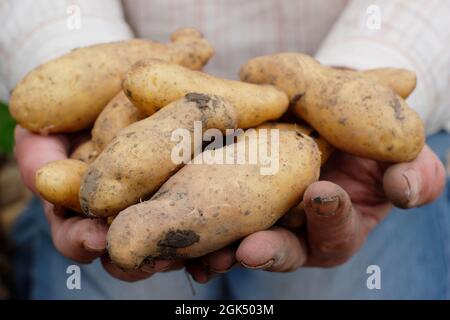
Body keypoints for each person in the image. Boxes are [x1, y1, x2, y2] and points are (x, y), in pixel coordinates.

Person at [1, 0, 449, 299]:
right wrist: (60, 44)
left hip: (347, 114)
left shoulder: (279, 112)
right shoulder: (168, 90)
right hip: (128, 75)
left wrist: (363, 68)